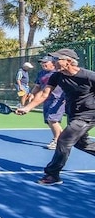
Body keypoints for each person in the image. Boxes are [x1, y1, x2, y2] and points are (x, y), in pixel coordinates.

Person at [16, 48, 95, 186]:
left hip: (89, 114)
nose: (54, 62)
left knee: (63, 140)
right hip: (73, 113)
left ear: (69, 61)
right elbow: (44, 94)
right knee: (81, 143)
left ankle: (52, 174)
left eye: (57, 59)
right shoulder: (56, 76)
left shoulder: (88, 76)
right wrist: (28, 107)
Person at [28, 56, 65, 150]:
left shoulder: (58, 73)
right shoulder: (41, 73)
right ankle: (65, 139)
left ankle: (57, 141)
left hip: (58, 99)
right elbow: (37, 86)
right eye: (41, 62)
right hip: (46, 99)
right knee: (48, 120)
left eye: (45, 62)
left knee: (52, 119)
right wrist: (32, 94)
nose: (43, 64)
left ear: (52, 63)